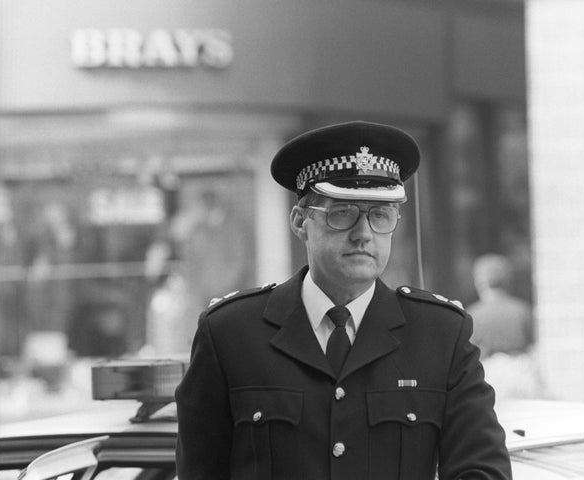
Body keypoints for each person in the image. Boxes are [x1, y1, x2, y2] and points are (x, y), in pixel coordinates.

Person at [175, 121, 512, 480]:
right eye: (343, 213)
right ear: (301, 222)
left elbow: (483, 470)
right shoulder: (230, 334)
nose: (364, 234)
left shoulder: (441, 335)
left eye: (380, 215)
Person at [468, 254, 541, 399]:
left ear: (479, 282)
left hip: (488, 377)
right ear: (507, 280)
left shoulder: (472, 315)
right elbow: (534, 348)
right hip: (521, 374)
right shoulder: (521, 310)